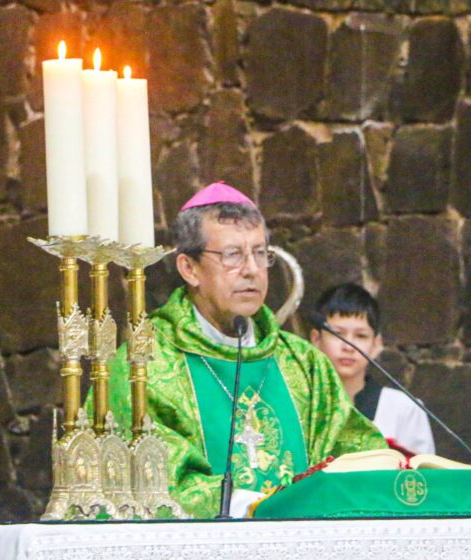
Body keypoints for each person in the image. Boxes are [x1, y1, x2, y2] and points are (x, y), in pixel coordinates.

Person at [101, 182, 387, 518]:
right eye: (232, 255)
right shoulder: (144, 364)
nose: (251, 269)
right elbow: (150, 479)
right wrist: (253, 506)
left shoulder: (304, 363)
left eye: (261, 253)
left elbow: (355, 453)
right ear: (189, 268)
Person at [309, 283, 435, 455]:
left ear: (376, 345)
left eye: (361, 336)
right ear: (316, 339)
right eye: (338, 334)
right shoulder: (300, 404)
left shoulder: (404, 408)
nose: (349, 346)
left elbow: (423, 476)